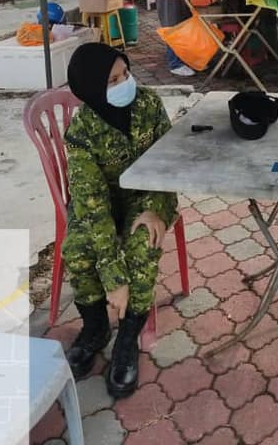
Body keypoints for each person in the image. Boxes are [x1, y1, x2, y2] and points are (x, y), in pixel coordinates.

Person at [61, 43, 178, 398]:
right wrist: (114, 279)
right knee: (77, 249)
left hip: (148, 197)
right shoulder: (82, 131)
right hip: (100, 205)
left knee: (143, 243)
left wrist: (155, 207)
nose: (125, 83)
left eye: (125, 74)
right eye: (112, 81)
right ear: (92, 89)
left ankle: (127, 337)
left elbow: (167, 163)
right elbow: (92, 204)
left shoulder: (149, 105)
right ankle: (96, 327)